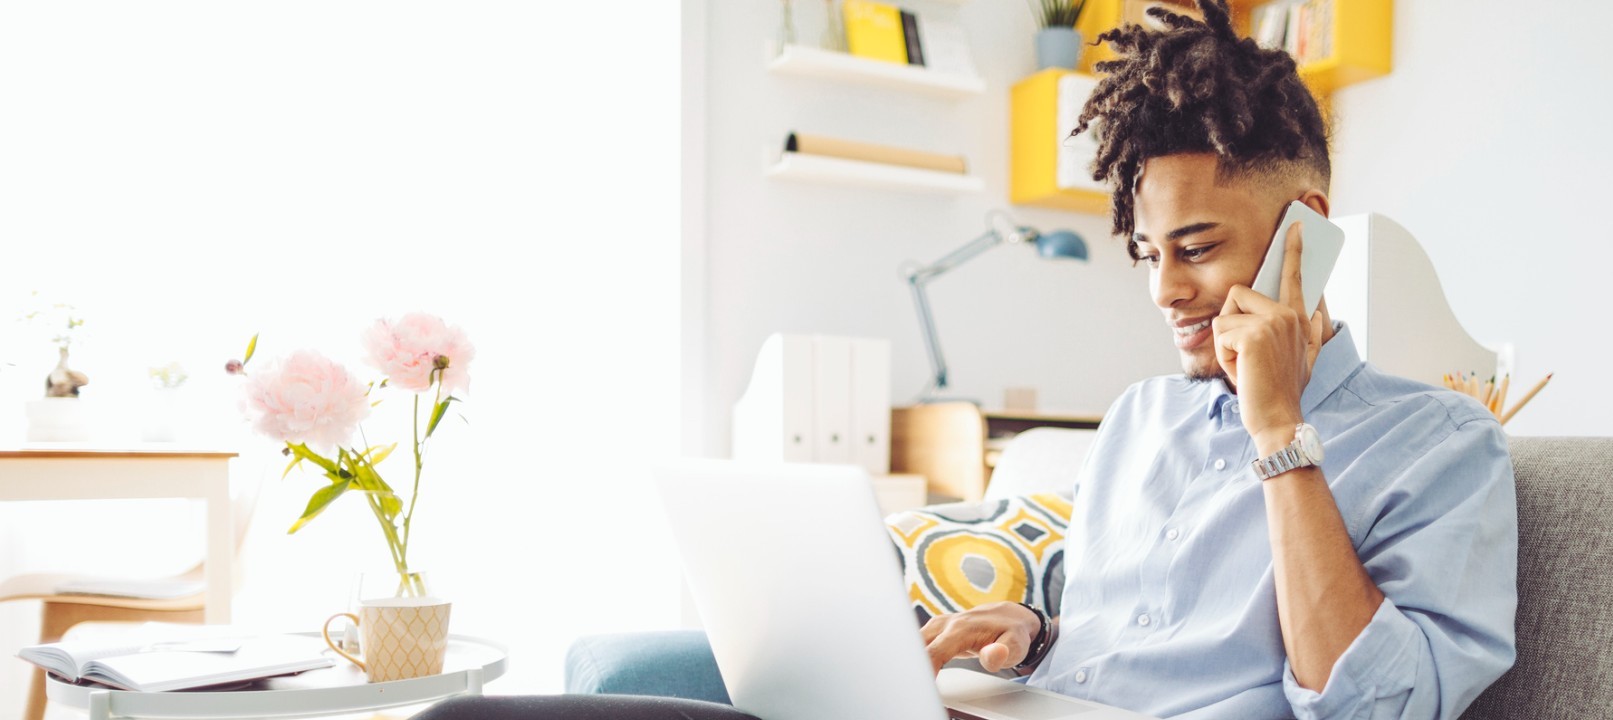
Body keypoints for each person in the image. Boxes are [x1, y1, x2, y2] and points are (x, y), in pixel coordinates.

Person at [419, 1, 1515, 718]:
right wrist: (1035, 635)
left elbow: (1380, 706)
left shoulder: (1441, 444)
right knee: (479, 714)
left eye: (1197, 249)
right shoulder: (1141, 418)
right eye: (1145, 254)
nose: (1166, 291)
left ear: (1306, 229)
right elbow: (1120, 632)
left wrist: (1282, 433)